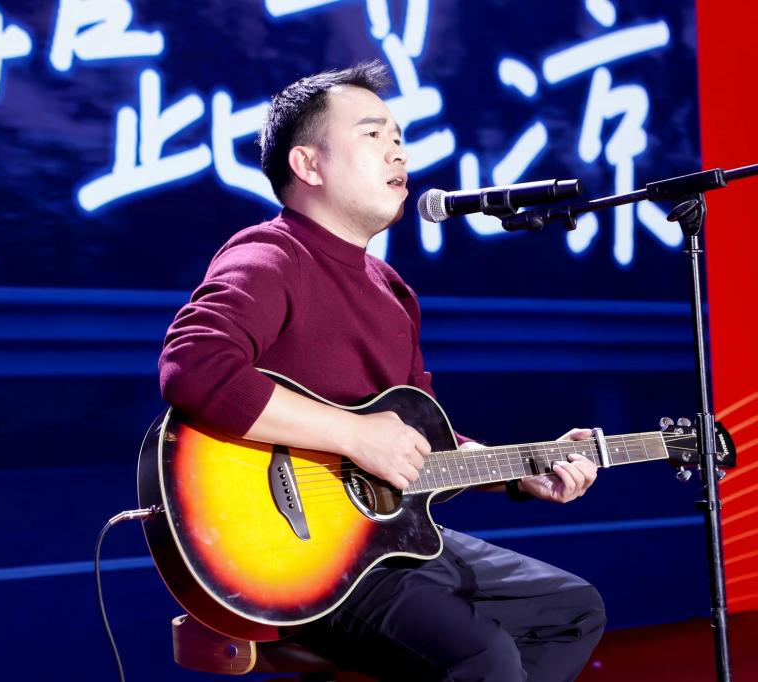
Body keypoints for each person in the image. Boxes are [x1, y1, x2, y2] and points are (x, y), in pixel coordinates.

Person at [159, 61, 606, 682]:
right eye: (373, 135)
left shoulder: (392, 290)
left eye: (399, 137)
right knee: (482, 654)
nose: (399, 151)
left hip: (388, 542)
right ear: (308, 164)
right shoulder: (271, 254)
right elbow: (194, 366)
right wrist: (354, 435)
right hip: (299, 553)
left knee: (572, 610)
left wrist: (521, 471)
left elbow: (422, 447)